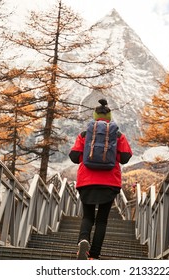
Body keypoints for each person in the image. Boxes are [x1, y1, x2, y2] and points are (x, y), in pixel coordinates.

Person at [69, 98, 132, 260]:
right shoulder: (118, 135)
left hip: (86, 181)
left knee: (88, 216)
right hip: (109, 182)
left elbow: (74, 156)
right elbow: (125, 158)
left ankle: (83, 241)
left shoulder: (84, 135)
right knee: (102, 220)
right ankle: (94, 256)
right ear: (109, 116)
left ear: (94, 115)